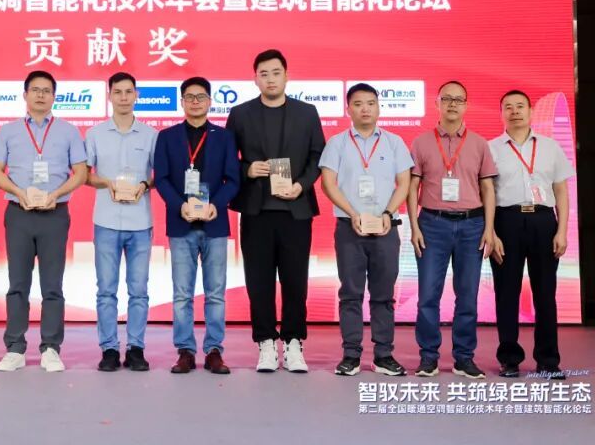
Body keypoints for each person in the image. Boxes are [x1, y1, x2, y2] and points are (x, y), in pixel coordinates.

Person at [225, 49, 325, 373]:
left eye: (276, 72)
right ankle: (266, 343)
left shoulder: (307, 113)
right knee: (259, 282)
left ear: (287, 75)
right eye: (263, 73)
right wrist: (247, 170)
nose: (270, 79)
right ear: (255, 78)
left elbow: (318, 157)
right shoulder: (240, 114)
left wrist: (302, 185)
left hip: (295, 209)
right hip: (256, 211)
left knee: (296, 281)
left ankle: (294, 342)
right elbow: (226, 159)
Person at [0, 70, 88, 373]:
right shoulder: (8, 131)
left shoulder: (69, 131)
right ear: (25, 95)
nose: (41, 95)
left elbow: (81, 173)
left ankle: (51, 348)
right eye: (35, 90)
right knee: (17, 284)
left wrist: (56, 194)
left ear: (54, 96)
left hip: (54, 214)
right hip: (19, 213)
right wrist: (19, 192)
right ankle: (15, 348)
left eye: (46, 91)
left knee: (52, 285)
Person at [319, 83, 413, 377]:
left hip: (385, 227)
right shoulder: (337, 143)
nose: (365, 109)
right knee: (350, 293)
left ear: (379, 107)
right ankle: (351, 355)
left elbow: (404, 183)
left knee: (384, 294)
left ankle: (384, 355)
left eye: (371, 103)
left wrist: (387, 213)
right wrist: (353, 214)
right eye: (358, 103)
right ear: (348, 108)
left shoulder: (394, 142)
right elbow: (328, 184)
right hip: (350, 227)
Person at [407, 80, 497, 379]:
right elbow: (412, 187)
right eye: (447, 98)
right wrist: (414, 226)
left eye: (459, 99)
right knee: (427, 296)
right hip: (432, 225)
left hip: (473, 226)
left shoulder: (479, 144)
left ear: (466, 105)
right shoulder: (421, 142)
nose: (453, 104)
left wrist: (489, 228)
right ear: (437, 104)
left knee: (468, 295)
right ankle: (428, 357)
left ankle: (464, 358)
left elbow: (488, 188)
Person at [154, 76, 240, 375]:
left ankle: (214, 350)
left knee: (215, 293)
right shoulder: (167, 137)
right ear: (181, 102)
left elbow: (233, 179)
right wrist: (180, 205)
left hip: (215, 224)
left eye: (200, 97)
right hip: (181, 222)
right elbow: (161, 178)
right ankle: (185, 351)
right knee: (182, 294)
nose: (195, 102)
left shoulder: (224, 137)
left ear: (210, 101)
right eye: (189, 97)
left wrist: (217, 204)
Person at [488, 90, 575, 379]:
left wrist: (562, 230)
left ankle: (548, 360)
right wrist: (491, 233)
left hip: (543, 221)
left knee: (545, 293)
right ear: (501, 113)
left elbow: (561, 191)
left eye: (520, 106)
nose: (515, 111)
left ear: (530, 111)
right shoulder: (491, 148)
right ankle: (509, 359)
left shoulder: (550, 147)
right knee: (506, 293)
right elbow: (486, 193)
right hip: (506, 221)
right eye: (508, 107)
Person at [85, 72, 157, 372]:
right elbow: (85, 175)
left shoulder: (151, 134)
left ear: (136, 95)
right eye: (118, 92)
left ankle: (136, 348)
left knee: (139, 290)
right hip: (106, 221)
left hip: (141, 222)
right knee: (106, 290)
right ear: (110, 96)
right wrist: (106, 183)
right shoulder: (95, 134)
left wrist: (144, 184)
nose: (124, 97)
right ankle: (110, 349)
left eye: (129, 92)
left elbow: (158, 175)